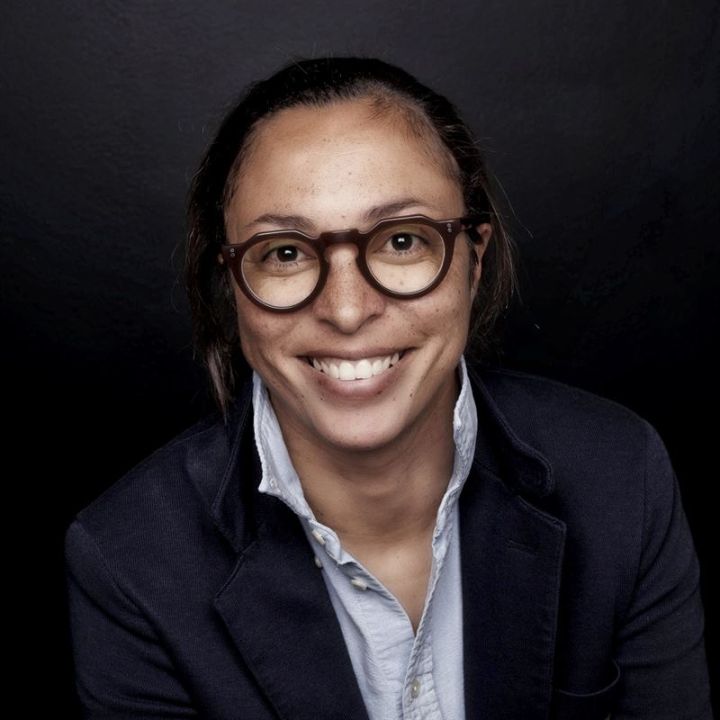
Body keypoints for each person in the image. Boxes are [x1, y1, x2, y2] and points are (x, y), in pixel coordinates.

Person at [65, 57, 712, 719]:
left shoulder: (621, 479)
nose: (348, 311)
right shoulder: (128, 561)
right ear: (231, 286)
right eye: (285, 252)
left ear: (474, 260)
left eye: (402, 240)